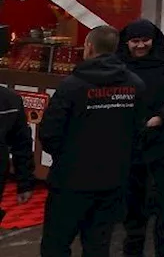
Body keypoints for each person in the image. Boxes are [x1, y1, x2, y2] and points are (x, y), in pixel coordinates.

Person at [39, 25, 145, 257]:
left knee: (55, 246)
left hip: (70, 182)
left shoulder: (72, 86)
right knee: (98, 246)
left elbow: (49, 134)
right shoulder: (135, 85)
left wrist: (67, 159)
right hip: (112, 182)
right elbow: (139, 133)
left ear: (88, 47)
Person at [118, 20, 164, 257]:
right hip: (130, 140)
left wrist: (163, 115)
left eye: (145, 41)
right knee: (133, 202)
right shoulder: (119, 62)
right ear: (126, 42)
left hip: (163, 139)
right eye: (135, 41)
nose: (140, 46)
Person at [0, 81, 36, 228]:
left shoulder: (10, 100)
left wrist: (25, 183)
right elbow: (22, 143)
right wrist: (25, 183)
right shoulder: (10, 99)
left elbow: (21, 142)